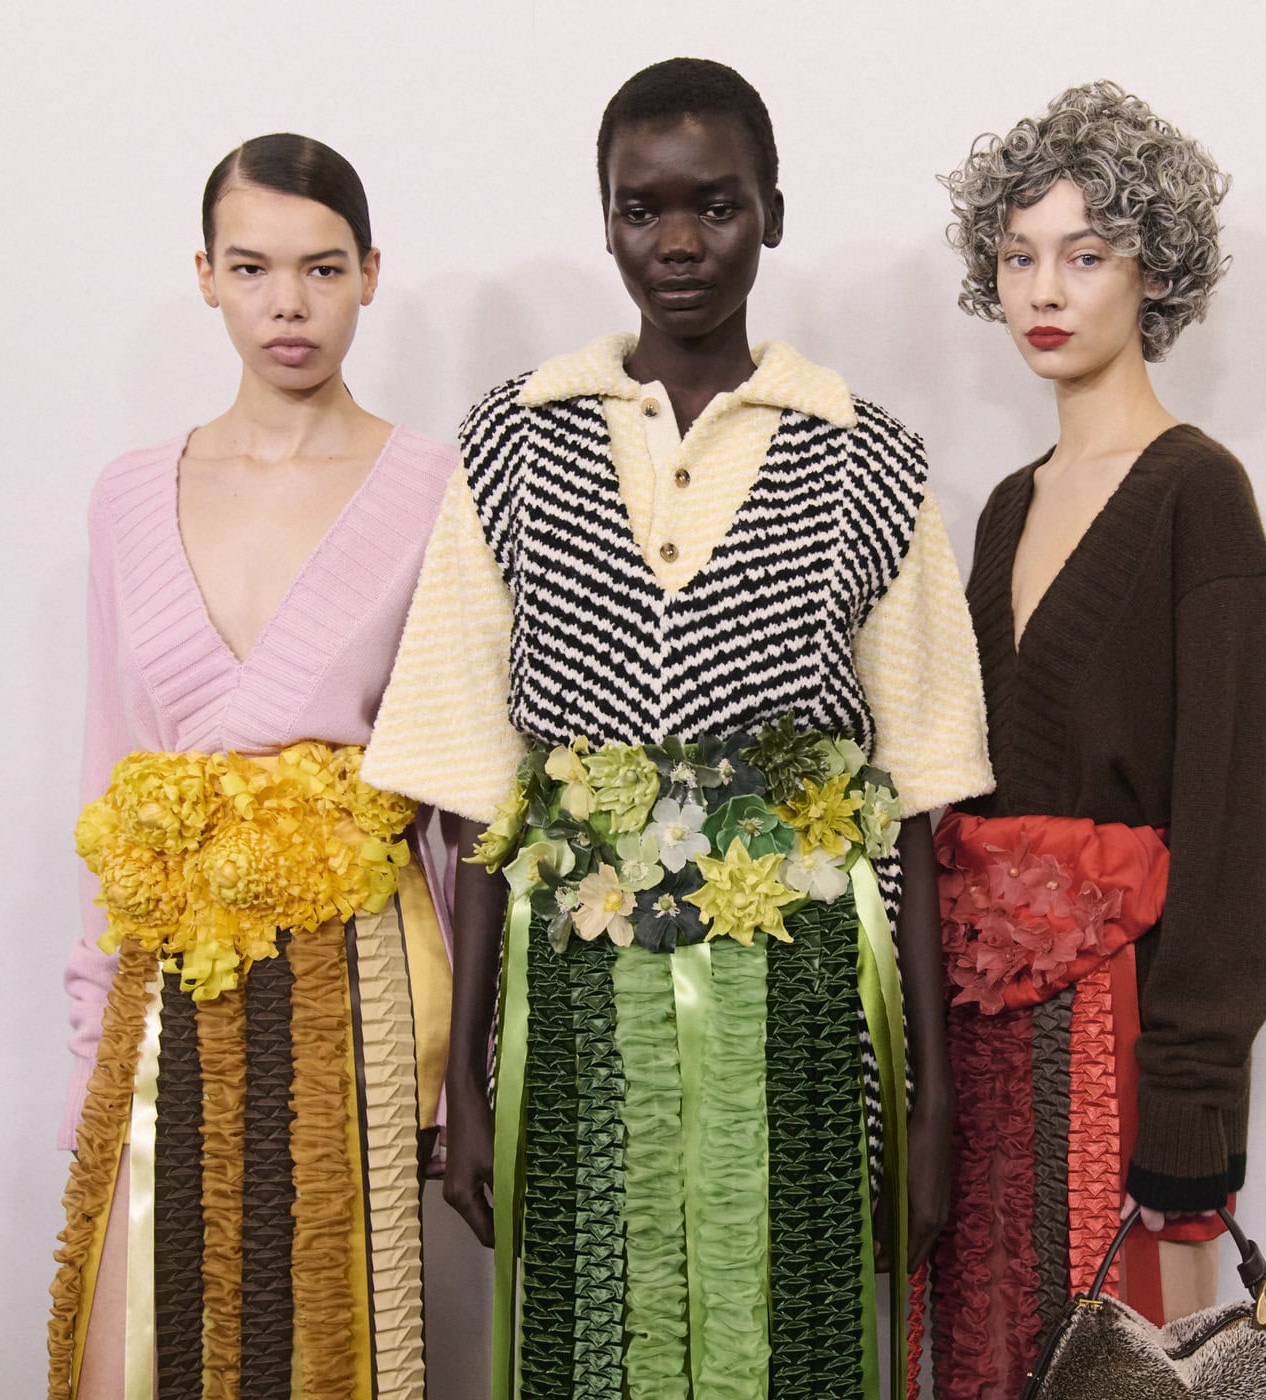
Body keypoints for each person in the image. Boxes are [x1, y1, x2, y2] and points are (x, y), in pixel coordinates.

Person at [362, 57, 991, 1399]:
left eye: (716, 204)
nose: (681, 243)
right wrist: (465, 1080)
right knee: (593, 1339)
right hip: (573, 1010)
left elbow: (920, 800)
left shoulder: (867, 454)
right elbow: (476, 796)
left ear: (773, 212)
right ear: (604, 223)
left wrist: (930, 1104)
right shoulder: (512, 442)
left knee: (792, 1333)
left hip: (806, 1014)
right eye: (642, 210)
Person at [47, 133, 457, 1400]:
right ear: (205, 275)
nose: (289, 303)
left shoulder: (438, 486)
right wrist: (95, 1026)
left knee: (326, 1331)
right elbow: (112, 768)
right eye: (253, 267)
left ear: (372, 273)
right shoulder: (129, 493)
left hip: (358, 975)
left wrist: (458, 1067)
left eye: (322, 268)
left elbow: (456, 788)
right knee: (139, 1340)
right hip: (167, 966)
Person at [923, 81, 1266, 1397]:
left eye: (1085, 254)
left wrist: (1194, 1101)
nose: (1044, 290)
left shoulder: (1199, 495)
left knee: (1122, 1365)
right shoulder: (1006, 509)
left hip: (1123, 1047)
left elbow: (1230, 816)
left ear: (1155, 270)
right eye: (1018, 255)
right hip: (982, 1040)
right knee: (985, 1355)